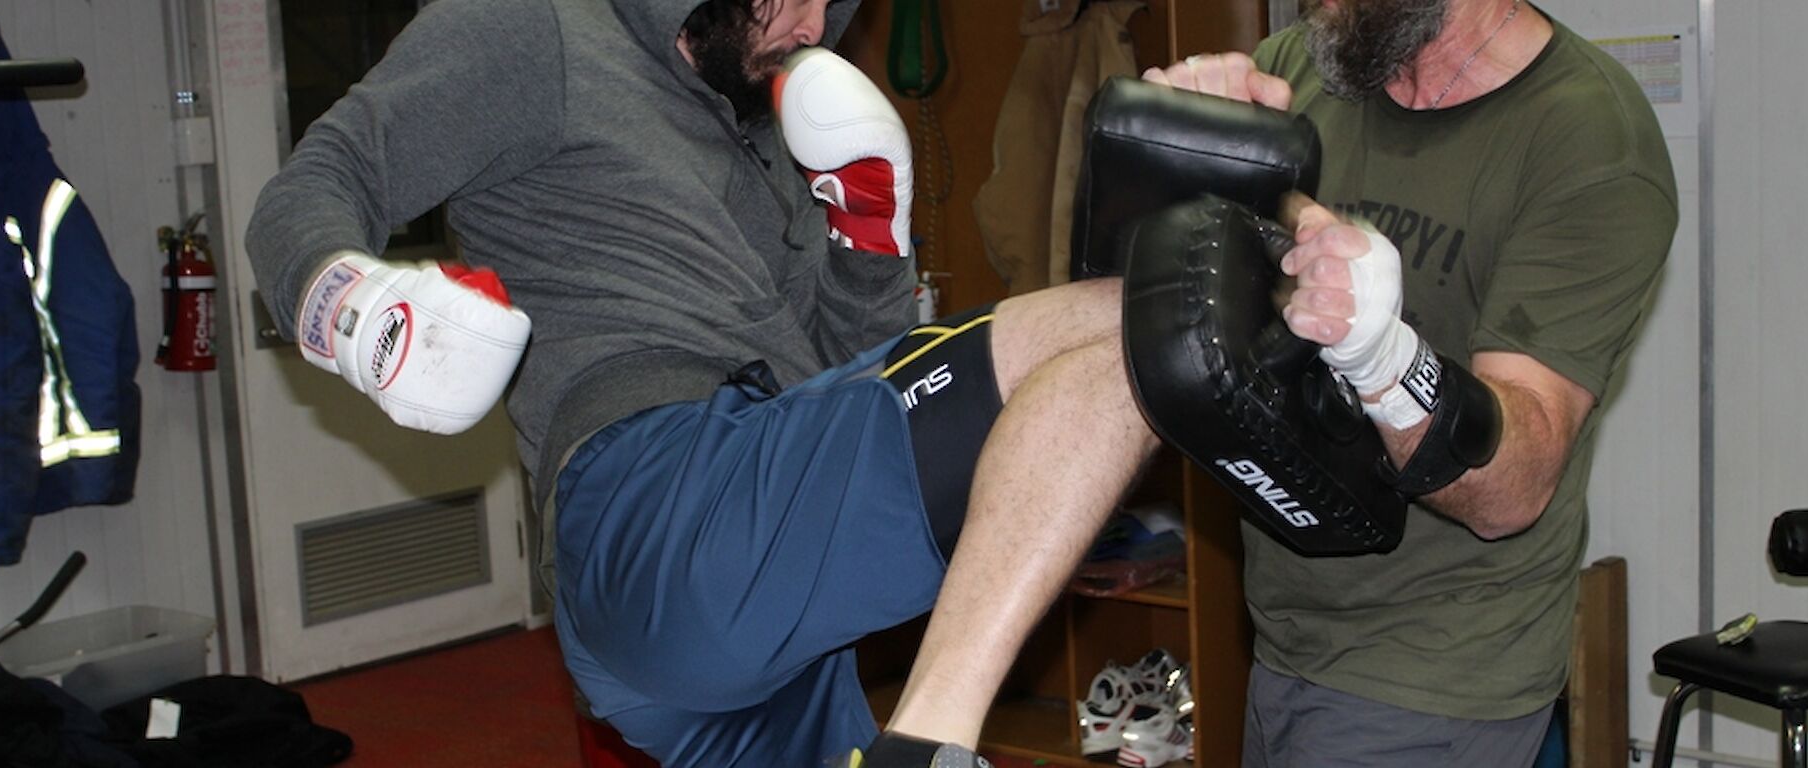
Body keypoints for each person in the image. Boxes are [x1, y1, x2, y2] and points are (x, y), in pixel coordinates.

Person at [245, 0, 1177, 765]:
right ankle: (929, 742)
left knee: (1121, 350)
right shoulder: (536, 30)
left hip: (767, 610)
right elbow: (322, 178)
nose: (815, 25)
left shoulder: (773, 127)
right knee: (1132, 325)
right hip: (652, 502)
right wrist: (349, 305)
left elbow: (854, 381)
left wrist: (869, 244)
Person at [1143, 0, 1678, 765]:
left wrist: (1384, 362)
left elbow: (1515, 485)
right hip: (1286, 639)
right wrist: (1178, 151)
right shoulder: (1308, 65)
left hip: (1436, 670)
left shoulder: (1589, 139)